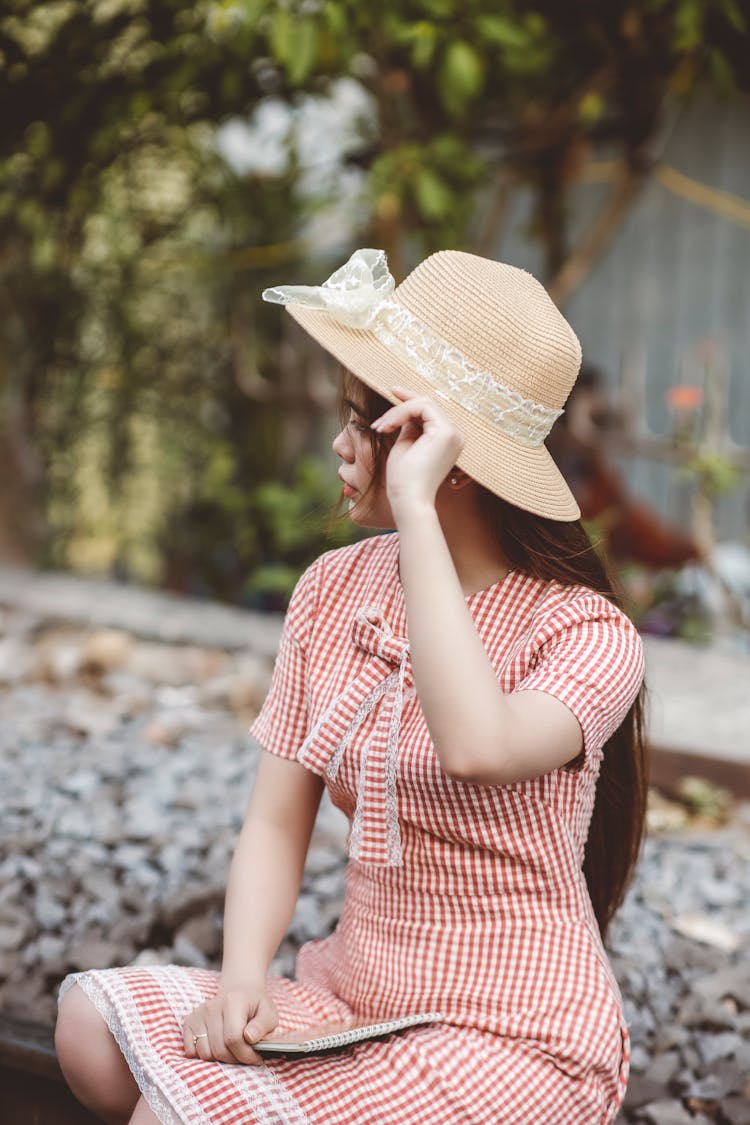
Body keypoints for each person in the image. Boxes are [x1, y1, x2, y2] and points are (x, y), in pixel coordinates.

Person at [55, 248, 647, 1124]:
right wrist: (245, 981)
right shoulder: (334, 590)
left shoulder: (587, 635)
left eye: (366, 420)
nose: (339, 445)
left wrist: (415, 515)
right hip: (355, 997)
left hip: (512, 1036)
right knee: (85, 1030)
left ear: (441, 450)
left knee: (170, 1118)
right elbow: (275, 815)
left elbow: (476, 744)